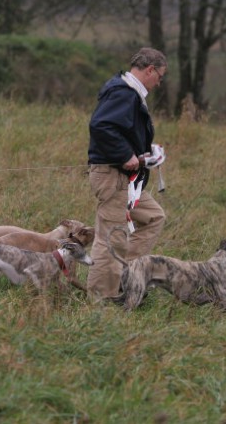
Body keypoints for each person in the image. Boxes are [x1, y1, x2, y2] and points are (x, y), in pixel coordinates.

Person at [86, 47, 168, 301]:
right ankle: (101, 300)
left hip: (127, 181)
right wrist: (125, 155)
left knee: (154, 216)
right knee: (112, 239)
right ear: (150, 70)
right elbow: (101, 125)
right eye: (160, 76)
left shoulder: (129, 92)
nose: (159, 83)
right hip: (113, 177)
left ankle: (123, 274)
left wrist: (146, 152)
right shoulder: (124, 93)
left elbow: (121, 130)